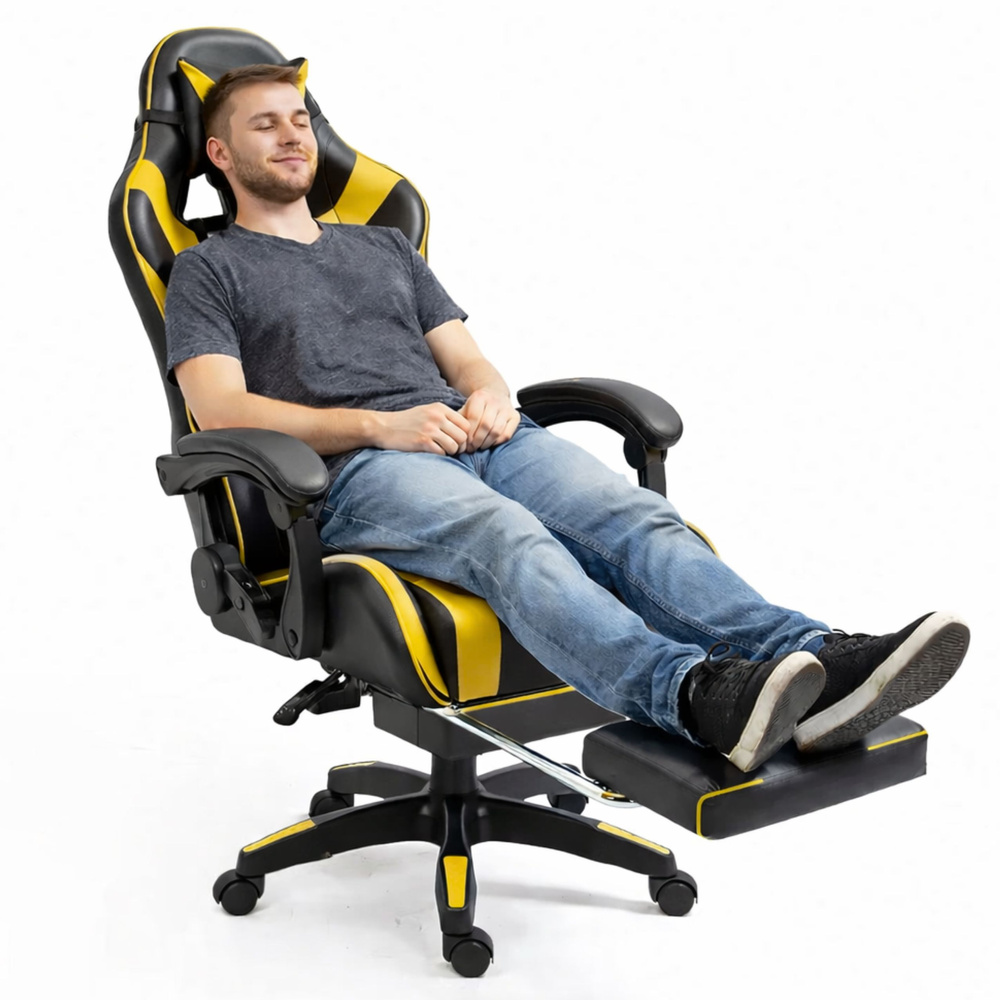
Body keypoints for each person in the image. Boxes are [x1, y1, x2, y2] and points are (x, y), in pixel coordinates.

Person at [164, 64, 970, 774]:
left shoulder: (384, 248)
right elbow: (219, 409)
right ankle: (694, 697)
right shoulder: (210, 269)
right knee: (507, 535)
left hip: (481, 435)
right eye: (265, 124)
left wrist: (491, 394)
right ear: (222, 155)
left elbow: (468, 360)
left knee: (634, 517)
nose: (292, 135)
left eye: (300, 119)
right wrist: (379, 428)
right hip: (360, 470)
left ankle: (813, 661)